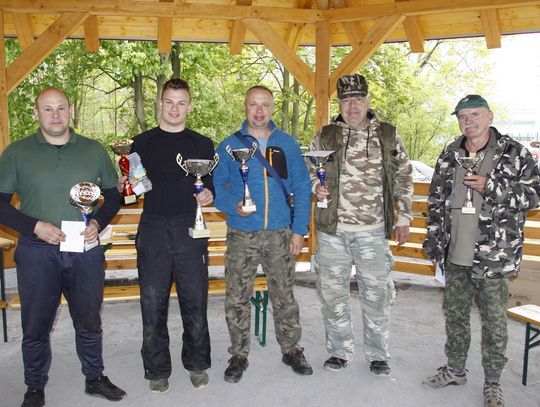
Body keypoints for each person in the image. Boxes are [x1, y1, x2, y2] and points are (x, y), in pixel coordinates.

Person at [0, 87, 126, 407]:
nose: (55, 115)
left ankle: (94, 377)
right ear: (36, 113)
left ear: (70, 110)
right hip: (36, 250)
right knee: (36, 323)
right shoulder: (17, 152)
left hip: (84, 248)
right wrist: (35, 226)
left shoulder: (93, 150)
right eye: (47, 109)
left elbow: (113, 196)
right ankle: (34, 386)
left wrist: (97, 222)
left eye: (60, 108)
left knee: (89, 319)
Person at [422, 95, 540, 407]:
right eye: (462, 116)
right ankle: (456, 369)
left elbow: (533, 196)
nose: (468, 121)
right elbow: (435, 201)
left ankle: (492, 382)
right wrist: (434, 242)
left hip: (494, 255)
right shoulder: (450, 153)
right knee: (456, 315)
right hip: (455, 251)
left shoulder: (514, 153)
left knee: (493, 321)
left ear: (489, 116)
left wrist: (491, 186)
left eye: (474, 114)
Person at [309, 74, 413, 376]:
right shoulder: (325, 135)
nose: (351, 105)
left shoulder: (388, 135)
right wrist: (317, 185)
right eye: (345, 100)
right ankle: (339, 351)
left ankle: (378, 353)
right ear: (339, 103)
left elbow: (404, 178)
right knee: (332, 295)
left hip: (373, 231)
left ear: (368, 101)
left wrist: (404, 217)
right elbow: (311, 170)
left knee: (377, 295)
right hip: (332, 232)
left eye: (357, 99)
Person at [214, 85, 313, 383]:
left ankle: (291, 349)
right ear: (244, 107)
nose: (259, 111)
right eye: (253, 105)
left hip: (280, 234)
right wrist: (234, 206)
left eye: (265, 105)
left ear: (272, 108)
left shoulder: (289, 144)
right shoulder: (228, 146)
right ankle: (239, 354)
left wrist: (299, 231)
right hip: (242, 234)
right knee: (236, 297)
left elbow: (302, 187)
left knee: (284, 295)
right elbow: (217, 189)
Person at [130, 78, 214, 393]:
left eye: (181, 102)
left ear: (189, 106)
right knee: (152, 302)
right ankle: (156, 368)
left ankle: (197, 363)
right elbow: (136, 187)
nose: (175, 108)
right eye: (169, 102)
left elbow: (211, 186)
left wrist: (207, 195)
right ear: (160, 104)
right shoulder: (140, 142)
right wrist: (129, 182)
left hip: (189, 227)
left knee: (195, 300)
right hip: (152, 226)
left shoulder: (202, 144)